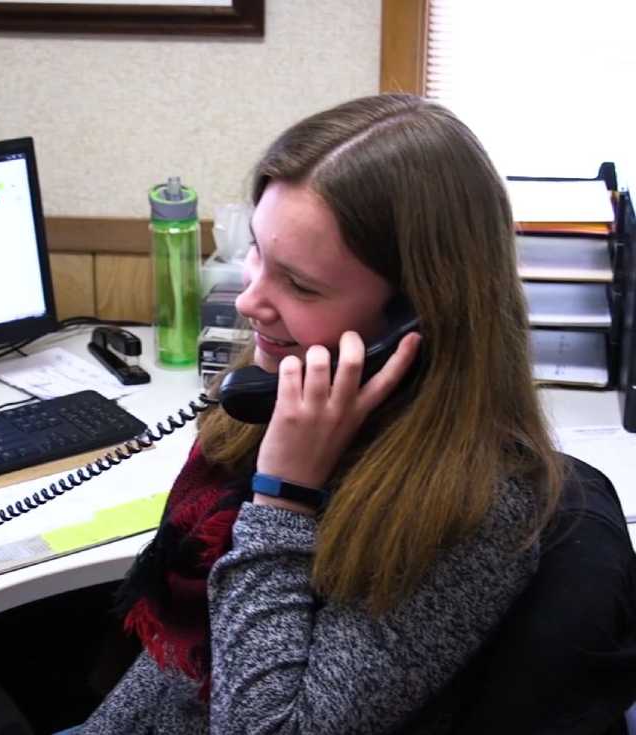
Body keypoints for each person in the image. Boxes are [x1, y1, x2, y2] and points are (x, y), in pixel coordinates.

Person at [75, 93, 566, 733]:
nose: (249, 300)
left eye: (300, 284)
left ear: (417, 314)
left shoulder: (474, 507)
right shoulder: (279, 387)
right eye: (257, 252)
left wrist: (281, 501)